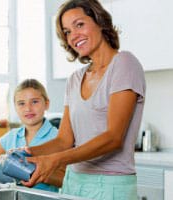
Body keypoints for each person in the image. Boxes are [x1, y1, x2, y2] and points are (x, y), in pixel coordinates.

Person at [21, 0, 146, 200]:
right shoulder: (74, 79)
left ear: (99, 22)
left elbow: (113, 138)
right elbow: (64, 140)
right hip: (73, 182)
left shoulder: (124, 64)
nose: (73, 36)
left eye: (79, 24)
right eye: (67, 31)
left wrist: (54, 160)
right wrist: (26, 152)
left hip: (110, 186)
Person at [0, 79, 64, 192]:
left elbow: (64, 179)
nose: (28, 108)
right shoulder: (12, 137)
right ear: (15, 107)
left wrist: (34, 173)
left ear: (46, 104)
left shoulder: (58, 138)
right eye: (21, 103)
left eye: (34, 102)